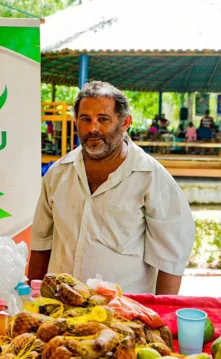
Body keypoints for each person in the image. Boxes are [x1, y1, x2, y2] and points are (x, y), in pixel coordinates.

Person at [28, 81, 195, 295]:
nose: (93, 129)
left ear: (125, 123)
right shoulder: (58, 174)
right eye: (85, 119)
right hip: (62, 312)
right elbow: (42, 243)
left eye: (103, 119)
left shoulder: (150, 177)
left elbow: (171, 257)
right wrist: (32, 304)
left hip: (125, 315)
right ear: (76, 122)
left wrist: (161, 314)